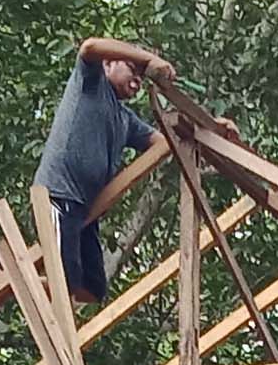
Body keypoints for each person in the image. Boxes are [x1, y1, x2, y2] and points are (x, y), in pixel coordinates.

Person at [32, 37, 234, 311]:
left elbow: (167, 143)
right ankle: (11, 276)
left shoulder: (125, 120)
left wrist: (210, 129)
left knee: (92, 288)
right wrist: (147, 59)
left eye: (142, 77)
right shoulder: (90, 85)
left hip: (84, 211)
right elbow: (89, 47)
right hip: (59, 195)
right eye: (132, 69)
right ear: (109, 64)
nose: (138, 81)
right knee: (64, 281)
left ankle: (18, 278)